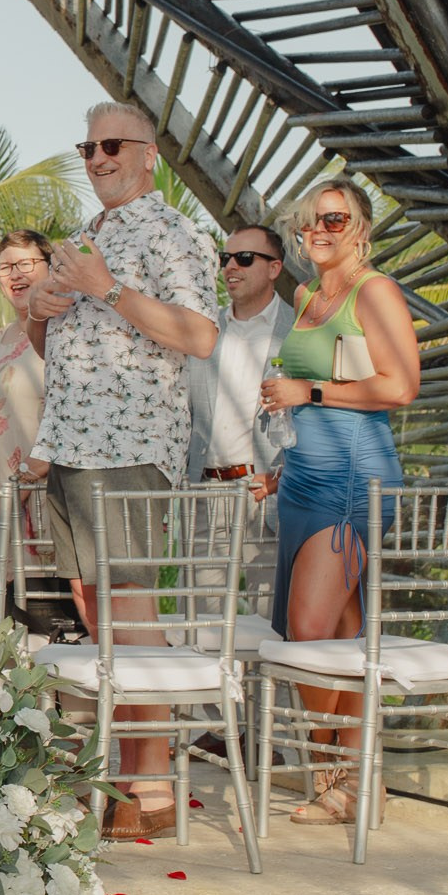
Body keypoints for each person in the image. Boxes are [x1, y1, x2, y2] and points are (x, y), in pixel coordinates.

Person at [26, 102, 218, 841]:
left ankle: (155, 786)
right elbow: (59, 352)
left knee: (131, 618)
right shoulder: (81, 238)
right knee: (100, 619)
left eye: (112, 144)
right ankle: (129, 777)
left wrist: (105, 287)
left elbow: (200, 335)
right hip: (69, 447)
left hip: (132, 451)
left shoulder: (174, 233)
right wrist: (43, 309)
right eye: (88, 145)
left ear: (149, 157)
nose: (97, 157)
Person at [256, 181, 418, 824]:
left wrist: (310, 392)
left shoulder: (373, 291)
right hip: (302, 480)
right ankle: (358, 784)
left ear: (361, 227)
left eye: (334, 218)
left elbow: (400, 386)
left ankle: (333, 781)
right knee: (344, 639)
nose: (318, 229)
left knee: (311, 636)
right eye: (308, 221)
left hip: (350, 482)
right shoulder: (309, 298)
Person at [186, 224, 295, 616]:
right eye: (225, 258)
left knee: (272, 624)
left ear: (274, 268)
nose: (231, 267)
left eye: (245, 258)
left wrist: (282, 477)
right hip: (207, 494)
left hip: (269, 493)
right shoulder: (205, 331)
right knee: (205, 627)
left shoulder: (298, 332)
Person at [0, 229, 72, 636]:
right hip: (0, 504)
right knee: (9, 638)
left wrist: (31, 474)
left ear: (50, 268)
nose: (14, 273)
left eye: (26, 264)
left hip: (46, 501)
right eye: (5, 266)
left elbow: (69, 411)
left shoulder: (66, 331)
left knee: (54, 634)